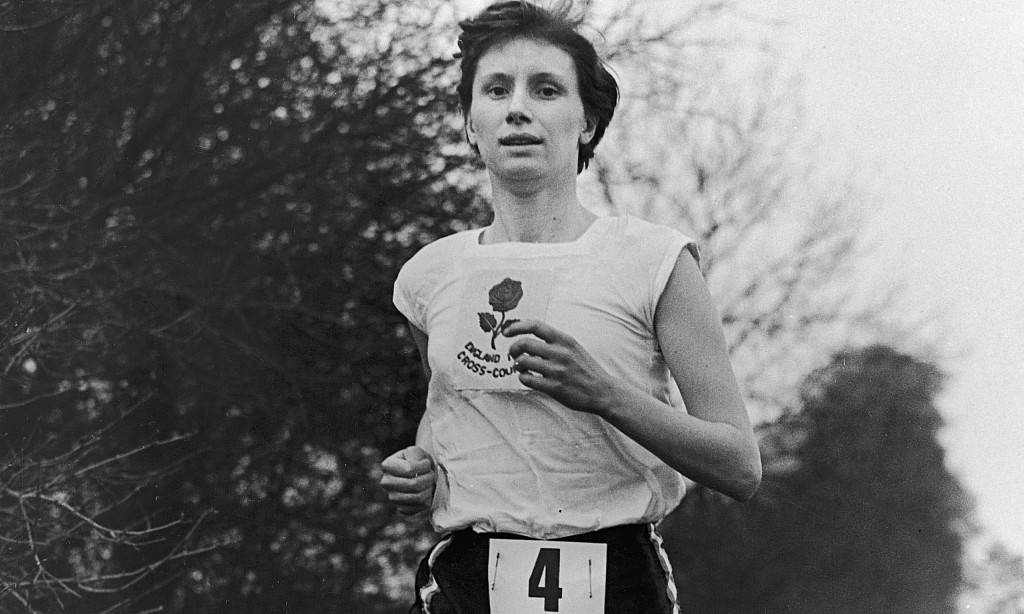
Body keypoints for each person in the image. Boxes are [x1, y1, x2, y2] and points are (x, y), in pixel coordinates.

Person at [381, 2, 761, 612]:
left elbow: (739, 467)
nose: (517, 109)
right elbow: (448, 424)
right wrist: (418, 471)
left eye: (546, 89)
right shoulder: (428, 274)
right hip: (466, 582)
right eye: (496, 90)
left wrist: (602, 392)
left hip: (616, 581)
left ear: (587, 122)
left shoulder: (654, 259)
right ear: (472, 124)